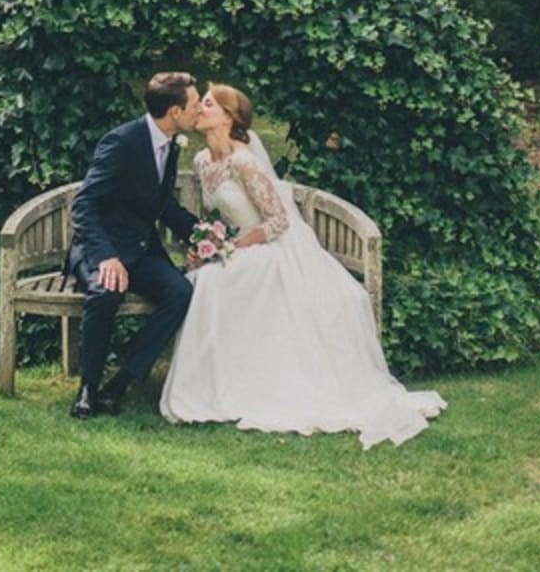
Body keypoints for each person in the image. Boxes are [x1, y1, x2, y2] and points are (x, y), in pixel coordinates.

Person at [159, 83, 446, 448]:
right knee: (204, 279)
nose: (200, 108)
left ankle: (242, 386)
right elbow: (214, 216)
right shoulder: (202, 161)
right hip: (236, 246)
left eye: (209, 103)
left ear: (229, 117)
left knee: (216, 282)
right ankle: (214, 384)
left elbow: (278, 221)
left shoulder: (245, 161)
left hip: (266, 247)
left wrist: (231, 245)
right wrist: (206, 243)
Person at [65, 71, 201, 419]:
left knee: (180, 292)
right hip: (101, 249)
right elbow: (84, 205)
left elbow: (164, 206)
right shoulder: (122, 142)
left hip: (140, 251)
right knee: (105, 292)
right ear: (174, 111)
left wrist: (204, 236)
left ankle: (121, 383)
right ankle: (88, 388)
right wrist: (106, 257)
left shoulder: (169, 145)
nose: (198, 110)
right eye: (195, 103)